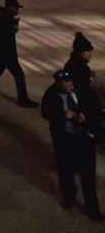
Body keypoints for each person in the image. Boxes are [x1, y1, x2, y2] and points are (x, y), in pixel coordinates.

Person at [41, 69, 102, 220]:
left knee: (88, 174)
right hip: (64, 138)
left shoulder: (81, 91)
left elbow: (94, 108)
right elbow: (45, 113)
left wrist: (84, 115)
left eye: (70, 81)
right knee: (66, 169)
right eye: (65, 82)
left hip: (83, 137)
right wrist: (63, 115)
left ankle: (92, 208)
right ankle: (69, 196)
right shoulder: (52, 94)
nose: (69, 84)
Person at [64, 32, 105, 141]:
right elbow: (85, 87)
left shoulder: (74, 62)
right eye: (88, 52)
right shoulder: (80, 67)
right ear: (81, 53)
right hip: (80, 98)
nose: (90, 54)